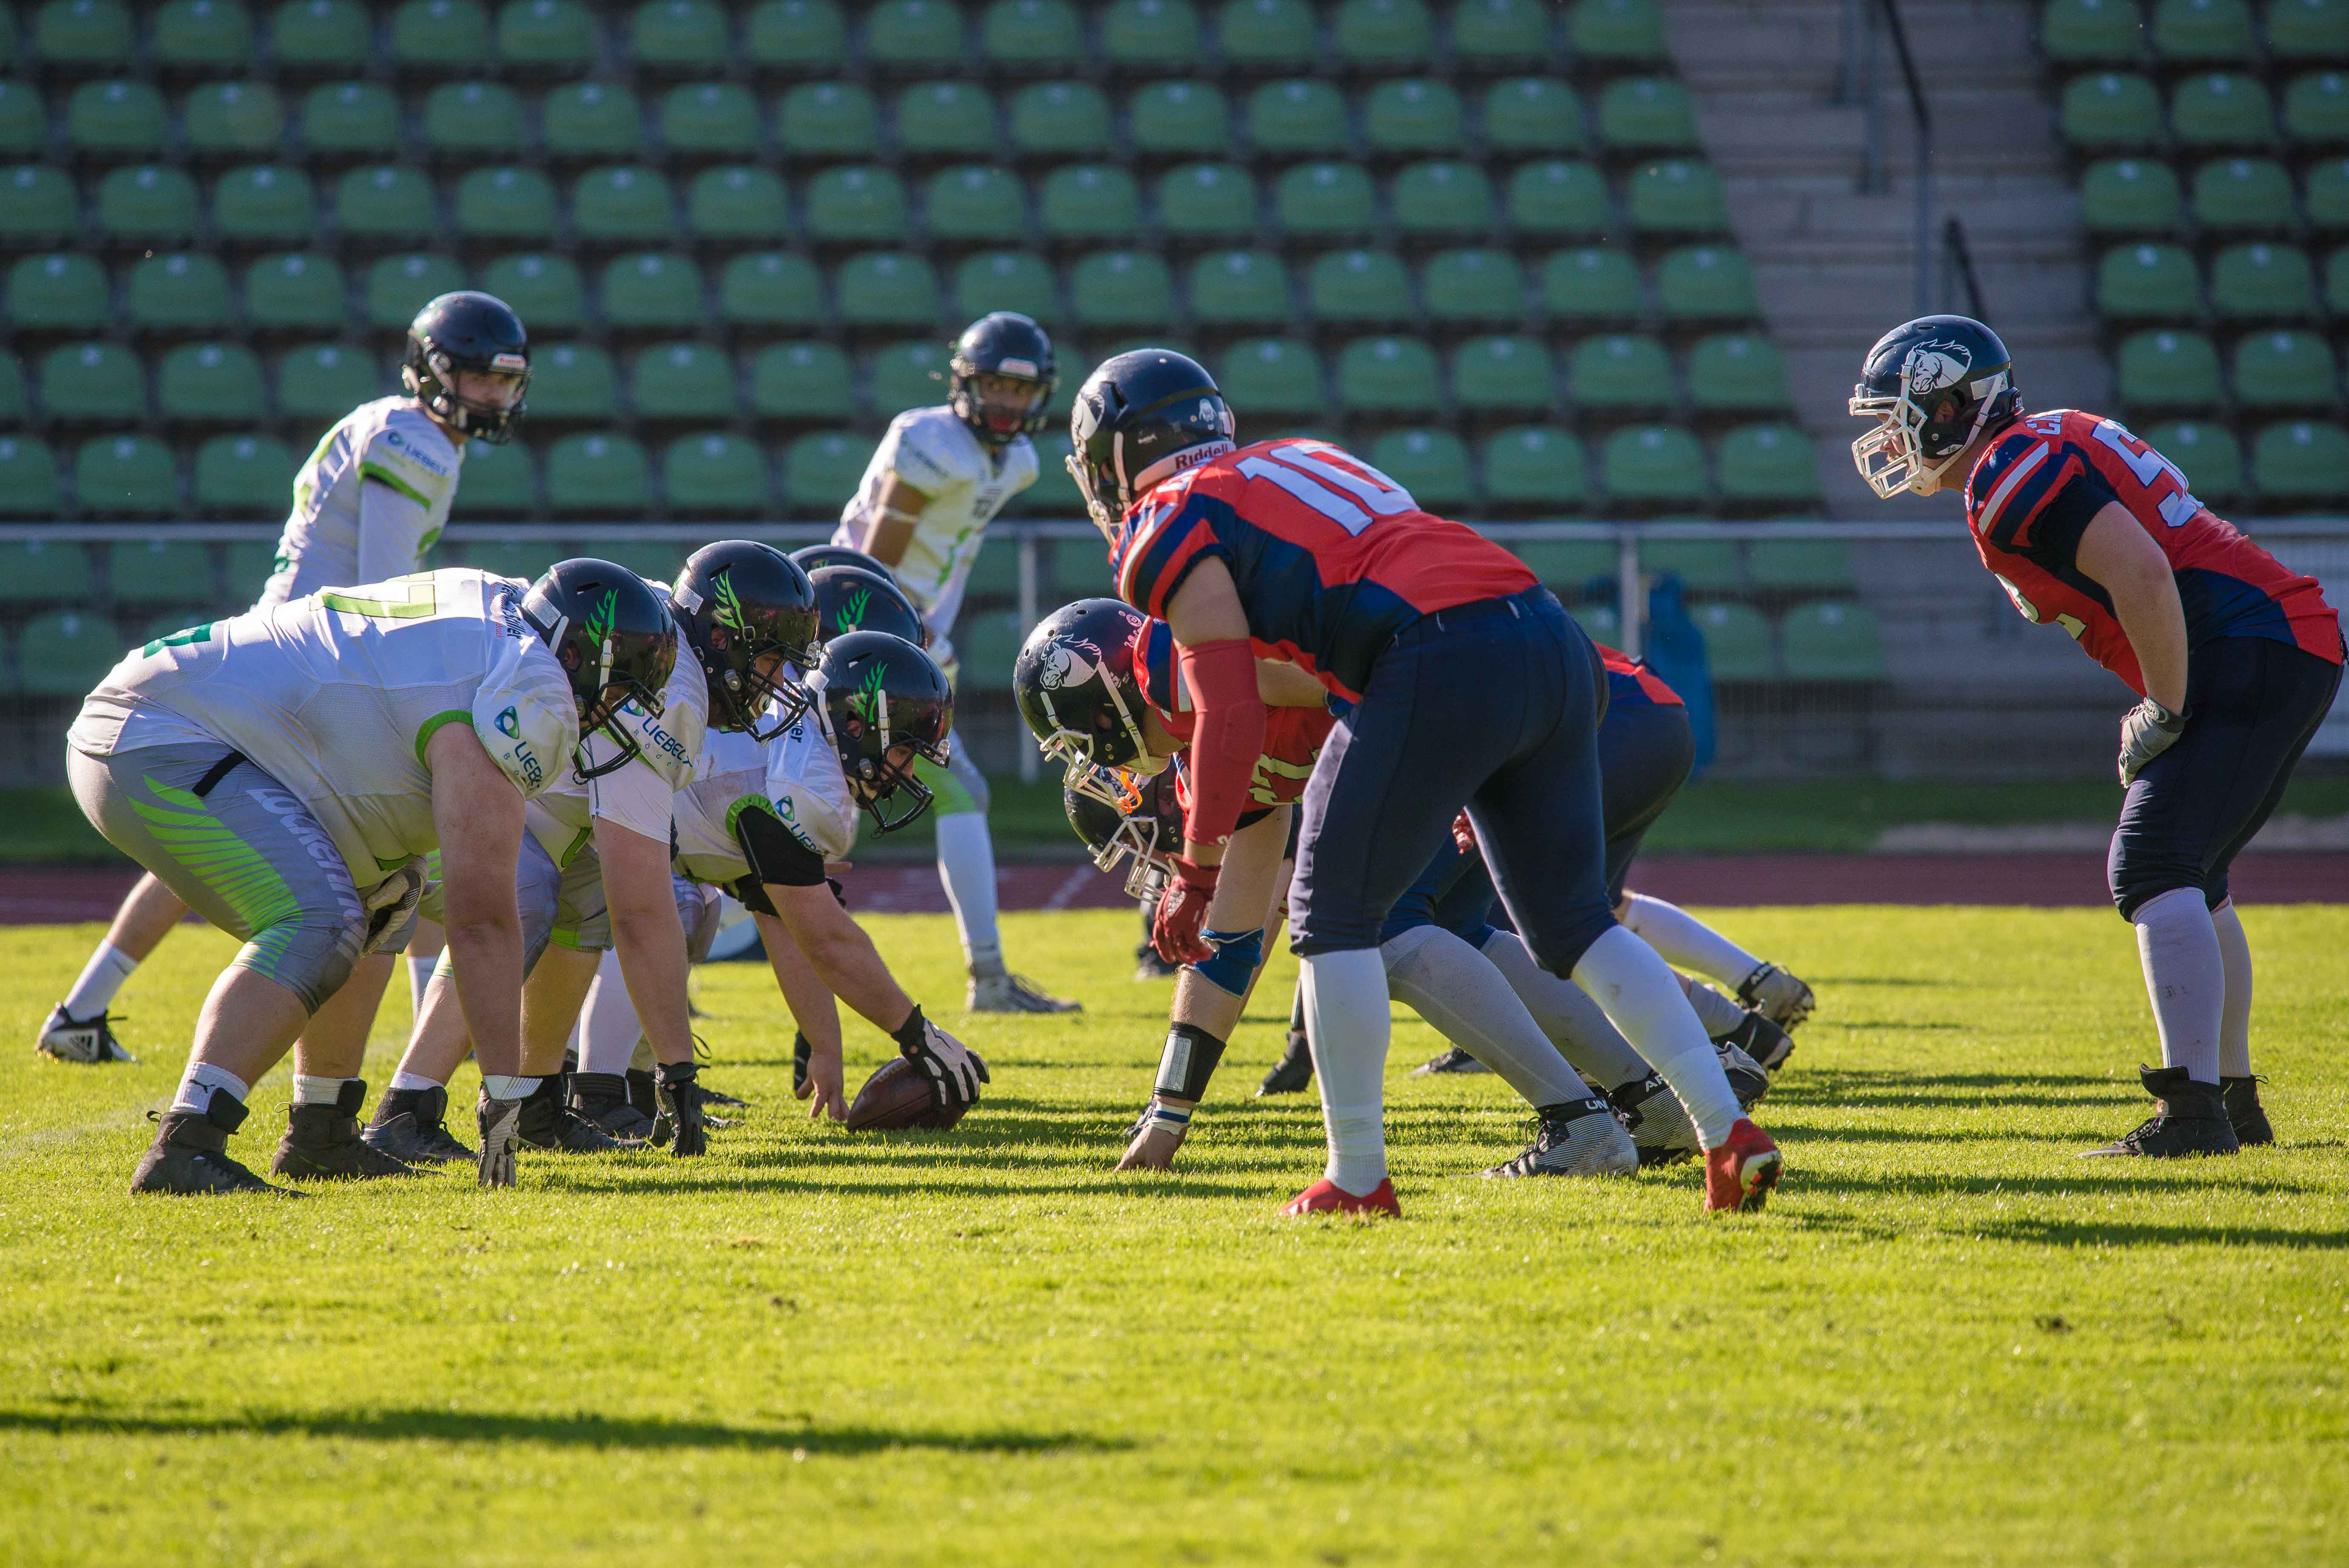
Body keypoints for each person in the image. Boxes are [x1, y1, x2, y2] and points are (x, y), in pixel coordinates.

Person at [1069, 349, 1781, 1215]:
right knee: (1573, 925)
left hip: (1435, 653)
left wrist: (1192, 868)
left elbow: (1227, 706)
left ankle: (1357, 1176)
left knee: (1330, 917)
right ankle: (1723, 1131)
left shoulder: (1167, 519)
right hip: (1545, 632)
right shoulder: (1301, 458)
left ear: (1115, 456)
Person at [1852, 315, 2342, 1157]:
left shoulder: (2011, 469)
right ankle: (2230, 1100)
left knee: (2150, 862)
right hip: (2272, 638)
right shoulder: (2036, 444)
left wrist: (2163, 702)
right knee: (2194, 875)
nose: (1890, 436)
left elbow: (2142, 572)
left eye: (1898, 409)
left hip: (2246, 642)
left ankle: (2191, 1114)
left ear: (1948, 406)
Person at [36, 292, 531, 1067]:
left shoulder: (398, 426)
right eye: (482, 379)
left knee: (214, 837)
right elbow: (384, 593)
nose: (496, 397)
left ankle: (84, 1007)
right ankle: (420, 1074)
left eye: (507, 382)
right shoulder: (417, 441)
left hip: (280, 656)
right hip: (317, 670)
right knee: (416, 841)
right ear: (434, 371)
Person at [65, 562, 670, 1194]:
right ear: (574, 657)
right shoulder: (519, 686)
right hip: (159, 732)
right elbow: (482, 921)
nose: (620, 714)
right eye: (619, 689)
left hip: (184, 717)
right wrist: (503, 1097)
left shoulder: (502, 614)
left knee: (387, 894)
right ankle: (188, 1140)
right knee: (319, 917)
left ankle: (321, 1129)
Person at [363, 558, 716, 1183]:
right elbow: (644, 908)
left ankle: (538, 1098)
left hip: (522, 796)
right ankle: (407, 1106)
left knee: (584, 890)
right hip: (435, 791)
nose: (775, 686)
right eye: (770, 662)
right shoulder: (673, 690)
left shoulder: (654, 626)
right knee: (523, 895)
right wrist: (677, 1067)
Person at [832, 311, 1076, 1014]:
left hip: (897, 635)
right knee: (808, 817)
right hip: (864, 632)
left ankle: (991, 977)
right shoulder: (931, 442)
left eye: (1021, 392)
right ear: (966, 382)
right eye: (995, 385)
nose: (1007, 403)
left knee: (830, 812)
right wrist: (906, 637)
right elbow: (873, 568)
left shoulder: (1017, 463)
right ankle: (990, 978)